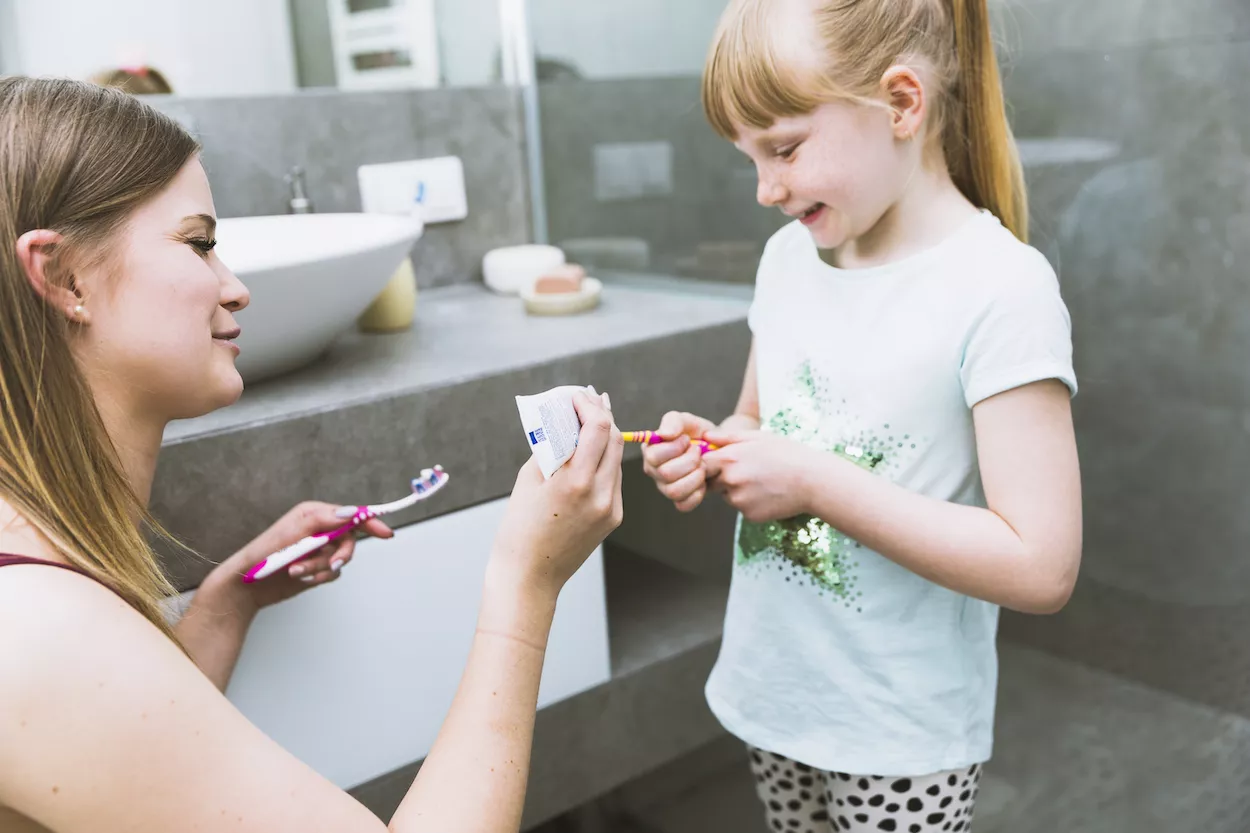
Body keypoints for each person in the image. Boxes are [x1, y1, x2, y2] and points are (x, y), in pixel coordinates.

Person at [0, 76, 624, 833]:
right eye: (199, 243)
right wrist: (527, 582)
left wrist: (225, 606)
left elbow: (128, 766)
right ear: (64, 277)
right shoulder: (45, 634)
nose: (235, 288)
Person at [641, 1, 1082, 831]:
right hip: (777, 690)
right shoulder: (786, 261)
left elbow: (1042, 565)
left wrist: (809, 479)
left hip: (899, 732)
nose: (766, 189)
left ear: (903, 105)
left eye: (784, 147)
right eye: (750, 158)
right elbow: (756, 421)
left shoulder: (1000, 289)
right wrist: (711, 448)